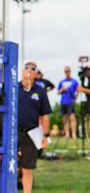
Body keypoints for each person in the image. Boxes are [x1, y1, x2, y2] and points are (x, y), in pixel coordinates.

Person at [18, 61, 52, 193]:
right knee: (6, 164)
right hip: (13, 133)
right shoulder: (14, 88)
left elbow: (45, 116)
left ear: (36, 74)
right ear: (22, 71)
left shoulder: (40, 91)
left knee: (28, 167)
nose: (29, 71)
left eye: (32, 69)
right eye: (26, 68)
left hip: (31, 133)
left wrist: (45, 135)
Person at [57, 66, 79, 139]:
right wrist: (62, 89)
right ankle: (67, 134)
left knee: (72, 118)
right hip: (63, 102)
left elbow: (78, 90)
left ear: (70, 71)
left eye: (68, 71)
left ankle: (73, 134)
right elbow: (58, 92)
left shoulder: (74, 81)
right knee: (65, 118)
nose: (67, 72)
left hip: (71, 102)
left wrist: (75, 98)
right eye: (66, 71)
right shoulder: (61, 82)